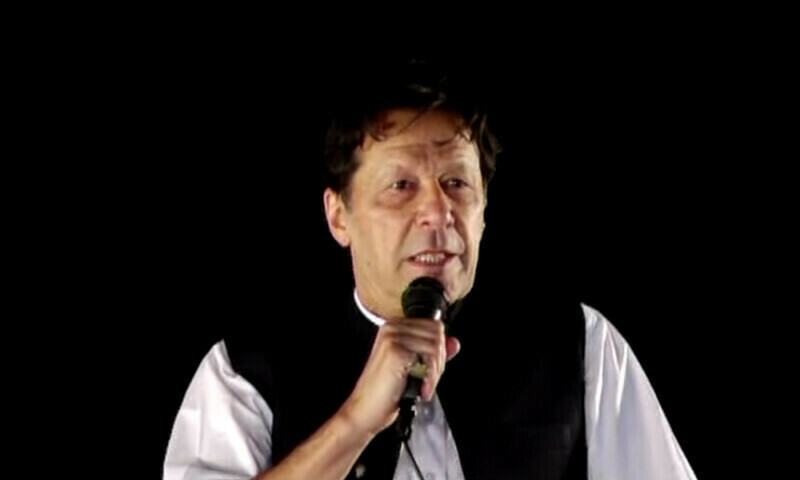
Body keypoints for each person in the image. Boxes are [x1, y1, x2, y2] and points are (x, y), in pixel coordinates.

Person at [163, 59, 697, 480]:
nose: (438, 213)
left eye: (457, 184)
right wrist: (355, 422)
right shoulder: (244, 372)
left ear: (483, 210)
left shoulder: (579, 346)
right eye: (401, 186)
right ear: (339, 216)